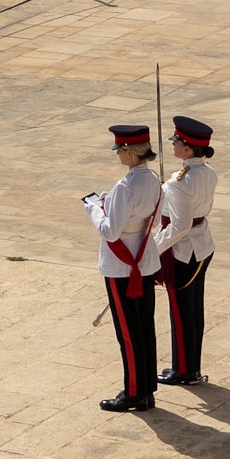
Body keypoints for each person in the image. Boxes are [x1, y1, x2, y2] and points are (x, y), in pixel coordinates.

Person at [82, 121, 164, 413]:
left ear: (129, 152)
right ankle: (146, 390)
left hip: (121, 265)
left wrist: (94, 207)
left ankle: (133, 393)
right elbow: (150, 217)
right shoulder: (152, 179)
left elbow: (110, 231)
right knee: (144, 328)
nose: (117, 154)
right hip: (144, 259)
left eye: (120, 150)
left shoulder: (124, 186)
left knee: (128, 333)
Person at [158, 116, 219, 386]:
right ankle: (190, 367)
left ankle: (183, 369)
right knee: (194, 309)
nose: (172, 144)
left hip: (185, 252)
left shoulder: (180, 182)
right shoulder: (207, 172)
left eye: (176, 141)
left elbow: (180, 226)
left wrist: (154, 249)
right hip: (203, 245)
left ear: (187, 147)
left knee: (182, 312)